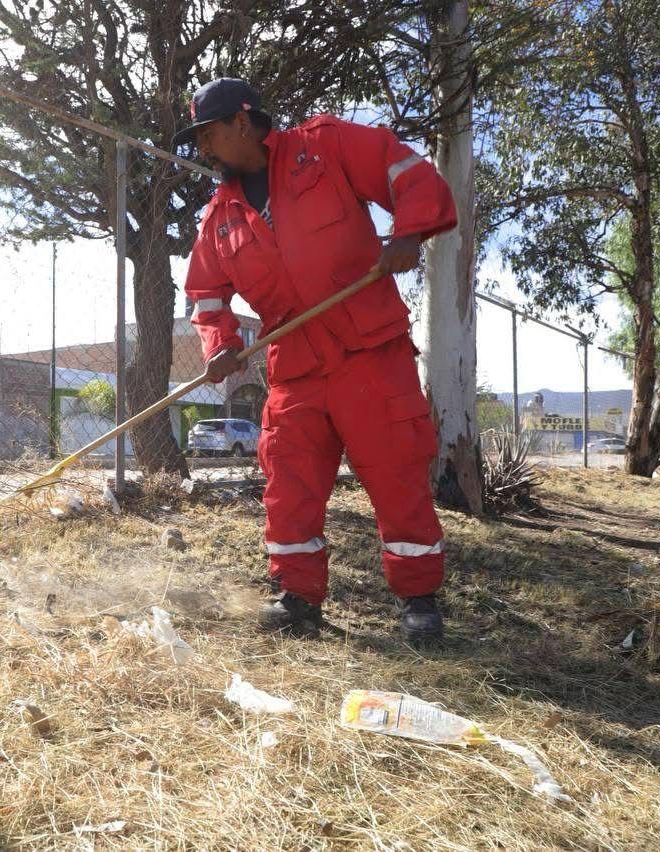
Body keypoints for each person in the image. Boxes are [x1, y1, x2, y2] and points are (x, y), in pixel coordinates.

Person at [174, 78, 458, 640]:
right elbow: (205, 297)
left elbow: (407, 171)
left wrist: (409, 232)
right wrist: (223, 345)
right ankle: (297, 598)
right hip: (295, 364)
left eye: (208, 133)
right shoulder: (219, 218)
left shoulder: (324, 147)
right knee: (290, 484)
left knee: (397, 471)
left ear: (242, 120)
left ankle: (419, 600)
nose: (203, 148)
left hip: (369, 350)